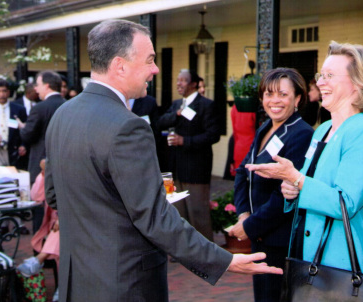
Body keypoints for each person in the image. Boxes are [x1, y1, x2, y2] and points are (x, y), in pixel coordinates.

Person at [44, 19, 282, 302]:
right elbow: (153, 217)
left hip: (78, 281)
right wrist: (224, 260)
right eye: (150, 61)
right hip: (125, 284)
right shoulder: (128, 126)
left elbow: (55, 195)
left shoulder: (62, 115)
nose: (155, 70)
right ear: (120, 65)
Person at [246, 41, 363, 276]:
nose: (320, 82)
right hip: (307, 258)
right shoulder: (323, 129)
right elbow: (307, 185)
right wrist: (290, 189)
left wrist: (297, 180)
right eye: (321, 75)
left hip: (339, 265)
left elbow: (346, 203)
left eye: (329, 75)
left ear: (358, 84)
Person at [229, 68, 314, 301]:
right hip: (260, 236)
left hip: (279, 240)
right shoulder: (265, 128)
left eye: (282, 95)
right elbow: (242, 171)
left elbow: (284, 194)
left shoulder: (302, 134)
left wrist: (250, 227)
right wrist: (243, 214)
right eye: (268, 94)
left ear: (297, 99)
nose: (274, 100)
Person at [157, 69, 219, 241]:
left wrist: (185, 141)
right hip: (175, 167)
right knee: (177, 212)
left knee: (198, 212)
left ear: (193, 84)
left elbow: (213, 135)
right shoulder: (176, 105)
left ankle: (206, 254)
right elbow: (160, 122)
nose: (179, 83)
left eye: (183, 80)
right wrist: (175, 115)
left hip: (196, 168)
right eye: (178, 80)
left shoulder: (206, 105)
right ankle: (182, 251)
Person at [18, 70, 65, 234]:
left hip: (41, 167)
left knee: (40, 212)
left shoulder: (39, 108)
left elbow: (27, 135)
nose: (36, 89)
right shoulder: (68, 104)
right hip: (64, 166)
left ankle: (40, 252)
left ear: (46, 85)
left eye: (37, 85)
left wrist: (22, 128)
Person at [17, 159, 59, 301]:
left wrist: (63, 219)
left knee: (63, 233)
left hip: (71, 224)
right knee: (61, 237)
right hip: (53, 227)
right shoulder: (51, 172)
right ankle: (63, 288)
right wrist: (43, 174)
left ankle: (39, 259)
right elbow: (36, 196)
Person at [0, 79, 28, 169]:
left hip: (13, 151)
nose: (2, 94)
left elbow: (26, 130)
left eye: (4, 91)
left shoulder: (19, 109)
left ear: (8, 92)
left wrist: (23, 145)